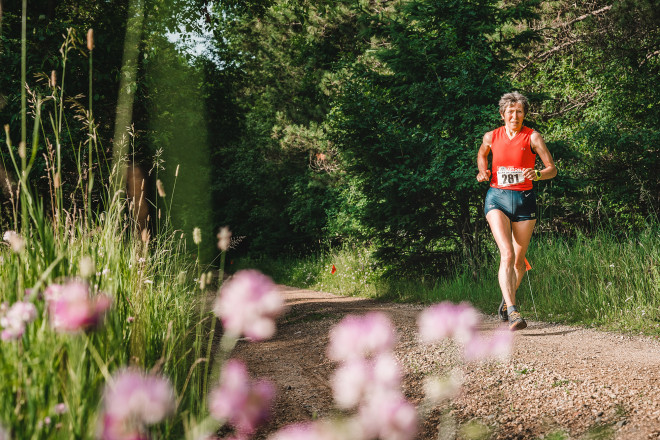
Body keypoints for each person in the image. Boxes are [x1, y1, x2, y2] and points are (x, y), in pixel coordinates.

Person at [476, 92, 557, 331]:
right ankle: (513, 311)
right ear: (502, 115)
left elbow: (552, 168)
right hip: (497, 199)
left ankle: (505, 301)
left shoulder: (533, 137)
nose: (515, 115)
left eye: (519, 111)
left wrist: (540, 174)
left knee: (519, 262)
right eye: (510, 112)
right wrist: (483, 170)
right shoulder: (492, 136)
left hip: (524, 200)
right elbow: (482, 154)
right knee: (507, 254)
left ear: (524, 114)